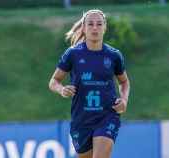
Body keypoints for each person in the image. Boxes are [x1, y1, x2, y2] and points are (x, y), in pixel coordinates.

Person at [49, 9, 130, 158]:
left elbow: (124, 82)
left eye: (99, 24)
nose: (95, 28)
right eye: (90, 24)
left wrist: (124, 100)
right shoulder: (72, 54)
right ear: (84, 28)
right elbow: (54, 81)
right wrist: (61, 90)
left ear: (105, 28)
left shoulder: (114, 56)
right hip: (81, 119)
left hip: (107, 115)